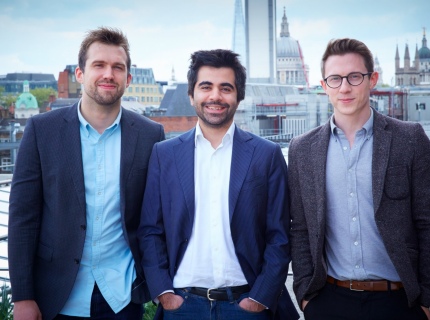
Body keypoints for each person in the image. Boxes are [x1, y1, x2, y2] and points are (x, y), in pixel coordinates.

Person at [8, 27, 164, 320]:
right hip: (56, 295)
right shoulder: (42, 131)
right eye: (99, 65)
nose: (109, 74)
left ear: (128, 79)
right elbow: (22, 219)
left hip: (122, 295)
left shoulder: (150, 135)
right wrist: (23, 297)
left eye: (118, 67)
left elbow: (157, 217)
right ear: (80, 74)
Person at [289, 38, 430, 320]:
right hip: (329, 302)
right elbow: (301, 228)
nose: (345, 87)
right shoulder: (302, 149)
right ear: (324, 85)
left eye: (354, 76)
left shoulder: (410, 139)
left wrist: (429, 304)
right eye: (335, 79)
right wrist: (306, 297)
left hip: (401, 304)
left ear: (372, 79)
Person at [138, 49, 299, 320]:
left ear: (239, 96)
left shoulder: (266, 155)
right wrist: (164, 293)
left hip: (247, 306)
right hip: (182, 306)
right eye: (206, 87)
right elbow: (150, 230)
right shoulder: (164, 155)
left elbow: (280, 235)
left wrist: (260, 298)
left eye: (226, 88)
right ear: (191, 95)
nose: (215, 96)